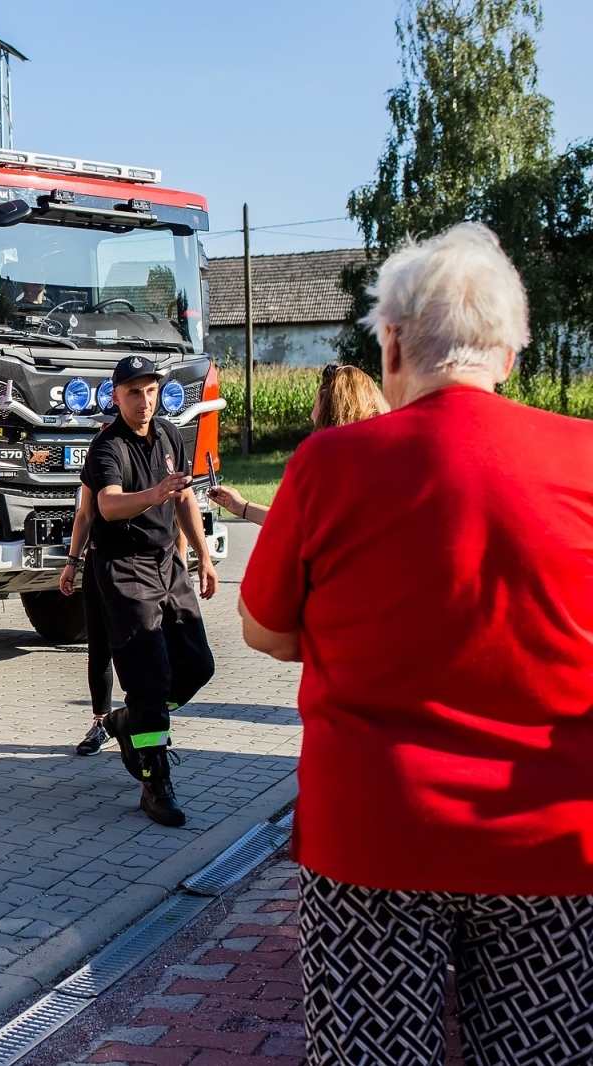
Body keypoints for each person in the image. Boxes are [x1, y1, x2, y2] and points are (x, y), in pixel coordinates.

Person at [239, 223, 593, 1066]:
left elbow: (264, 628)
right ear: (509, 353)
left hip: (374, 835)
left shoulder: (328, 465)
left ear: (392, 343)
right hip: (553, 839)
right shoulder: (586, 459)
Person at [82, 354, 218, 828]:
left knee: (198, 665)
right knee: (150, 676)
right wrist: (153, 494)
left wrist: (202, 555)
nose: (144, 401)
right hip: (124, 567)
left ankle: (128, 720)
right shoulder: (107, 447)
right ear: (116, 395)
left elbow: (184, 496)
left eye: (151, 391)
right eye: (134, 392)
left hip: (167, 562)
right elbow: (107, 504)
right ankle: (154, 782)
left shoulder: (168, 434)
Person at [210, 364, 389, 525]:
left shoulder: (325, 458)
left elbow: (295, 526)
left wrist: (242, 507)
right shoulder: (384, 455)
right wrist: (241, 507)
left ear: (330, 407)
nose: (313, 409)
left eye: (319, 397)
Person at [59, 483, 117, 754]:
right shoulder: (100, 450)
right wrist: (72, 562)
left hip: (143, 562)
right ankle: (101, 723)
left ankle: (139, 721)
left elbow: (176, 504)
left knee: (140, 648)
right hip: (99, 561)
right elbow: (84, 514)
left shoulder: (154, 444)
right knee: (99, 648)